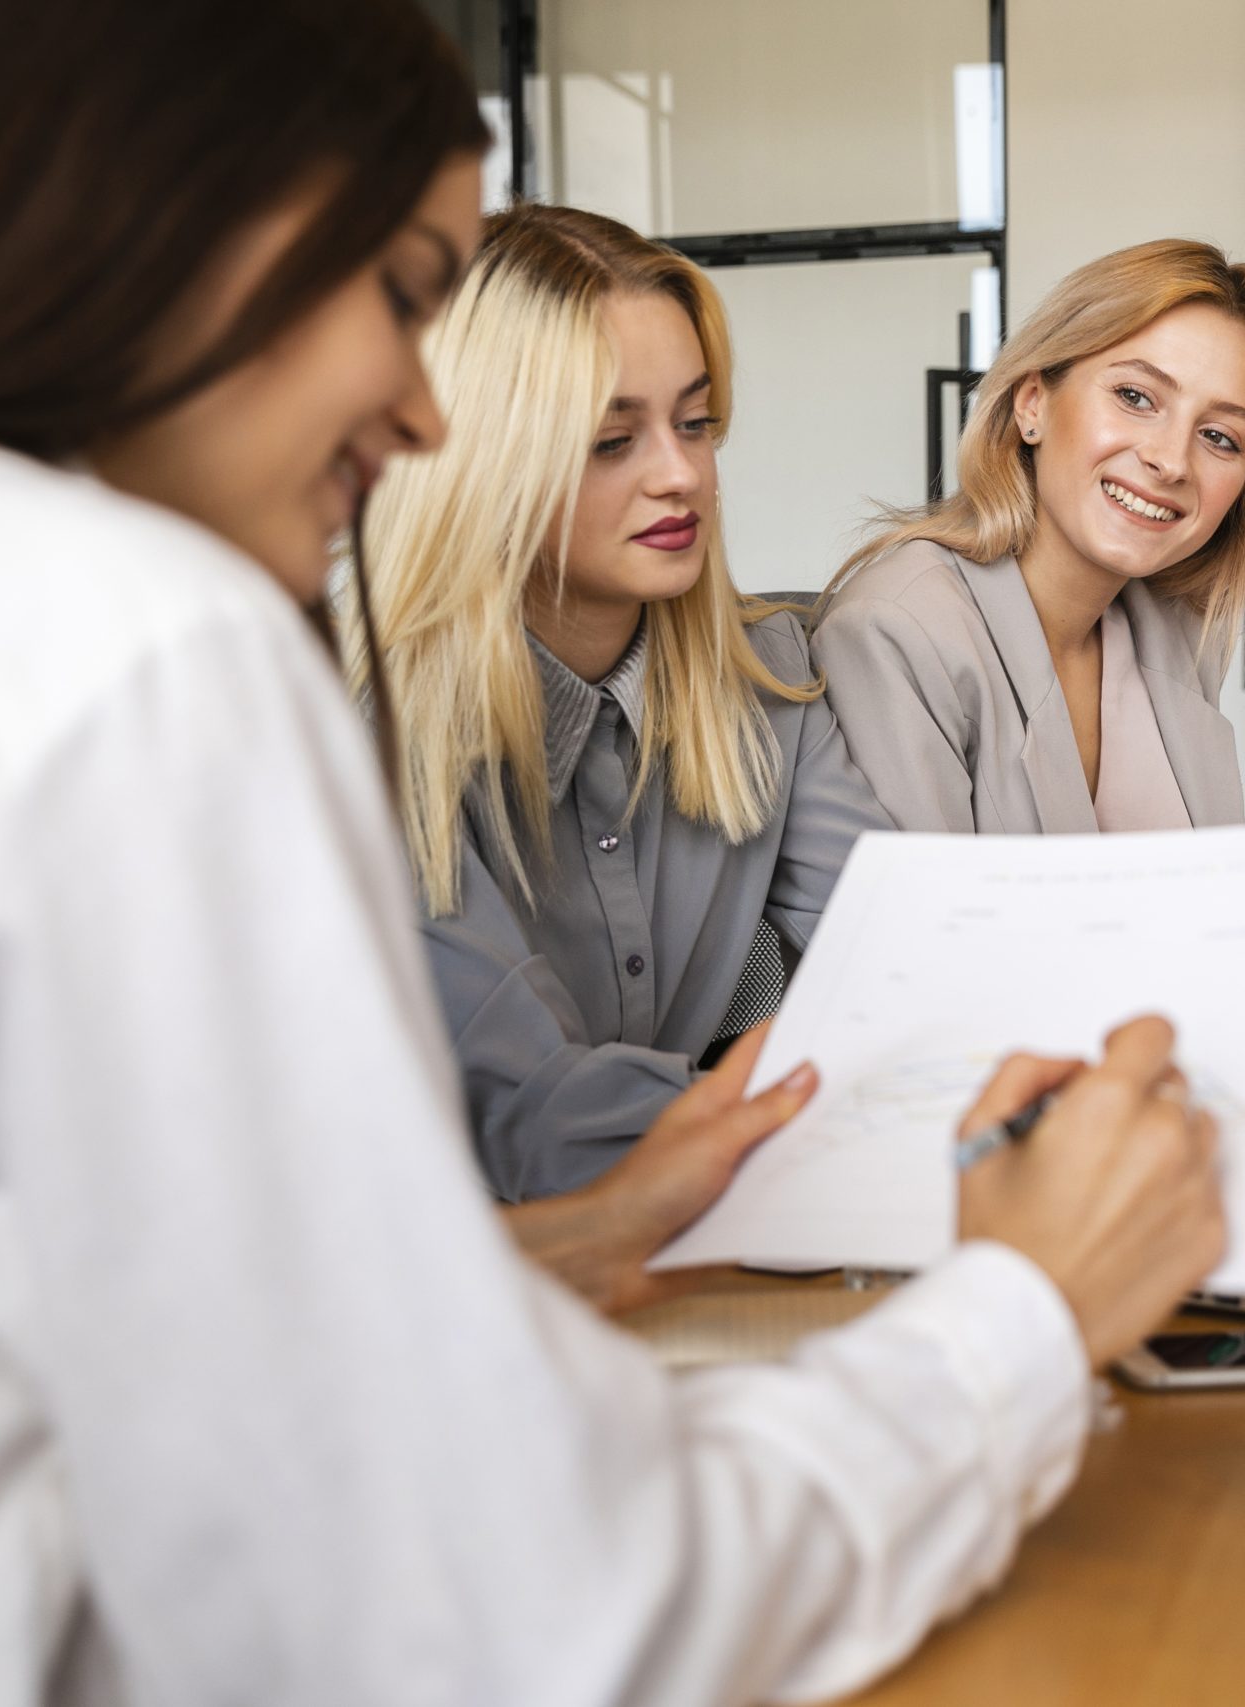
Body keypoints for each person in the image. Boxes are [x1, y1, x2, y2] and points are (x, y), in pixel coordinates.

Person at [0, 4, 1228, 1704]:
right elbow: (540, 1611)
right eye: (408, 297)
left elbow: (47, 1325)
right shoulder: (135, 647)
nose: (421, 412)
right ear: (201, 233)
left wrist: (544, 1238)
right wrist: (1024, 1307)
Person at [360, 205, 892, 1201]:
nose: (682, 474)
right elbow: (533, 1117)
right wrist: (797, 1096)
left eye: (695, 423)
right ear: (480, 466)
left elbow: (904, 960)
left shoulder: (770, 685)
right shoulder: (378, 746)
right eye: (613, 441)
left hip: (690, 1255)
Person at [815, 238, 1245, 834]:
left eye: (1220, 437)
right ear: (1032, 404)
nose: (1171, 461)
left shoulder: (1176, 629)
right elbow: (923, 922)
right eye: (1135, 397)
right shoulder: (898, 628)